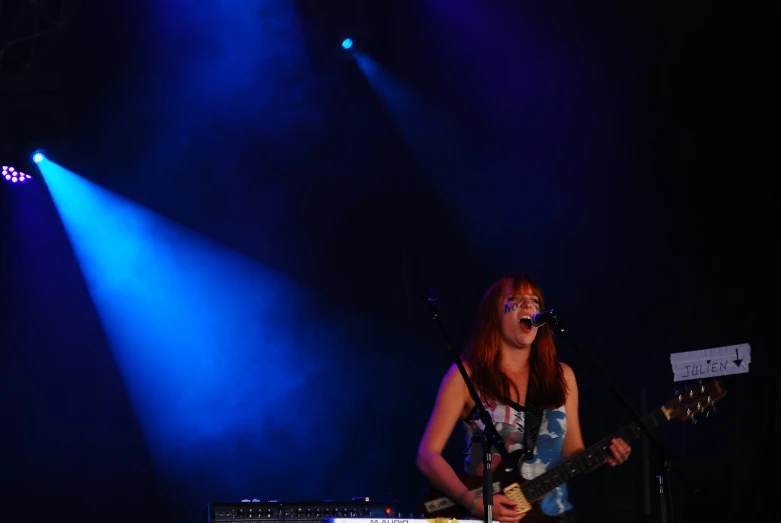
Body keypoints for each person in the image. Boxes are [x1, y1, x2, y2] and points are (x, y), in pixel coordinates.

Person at [416, 273, 632, 522]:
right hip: (489, 514)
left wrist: (604, 454)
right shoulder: (466, 375)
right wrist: (475, 503)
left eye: (534, 301)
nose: (529, 305)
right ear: (494, 314)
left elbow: (573, 452)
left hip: (549, 515)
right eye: (515, 299)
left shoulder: (563, 376)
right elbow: (427, 455)